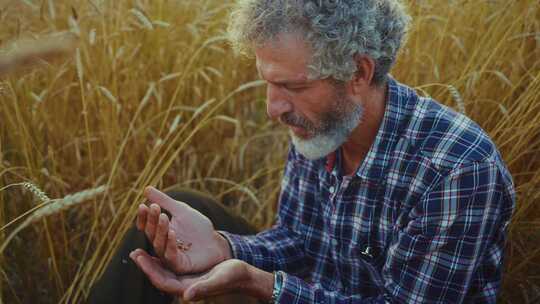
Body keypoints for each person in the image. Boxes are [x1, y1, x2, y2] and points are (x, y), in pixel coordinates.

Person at [90, 0, 516, 303]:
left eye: (292, 86)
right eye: (268, 83)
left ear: (358, 72)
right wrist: (225, 248)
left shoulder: (457, 168)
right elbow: (300, 239)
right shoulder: (325, 124)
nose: (273, 109)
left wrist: (264, 285)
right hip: (309, 290)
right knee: (175, 214)